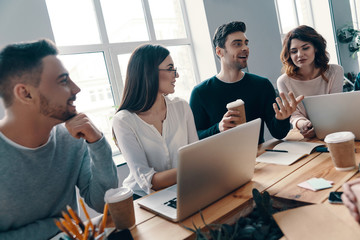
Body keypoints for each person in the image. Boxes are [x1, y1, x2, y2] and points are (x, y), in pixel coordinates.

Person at [0, 39, 118, 239]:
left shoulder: (71, 139)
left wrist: (97, 143)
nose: (76, 89)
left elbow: (104, 202)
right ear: (26, 93)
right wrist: (63, 224)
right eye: (63, 81)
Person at [189, 21, 303, 144]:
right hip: (219, 160)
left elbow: (279, 133)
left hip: (259, 157)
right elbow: (193, 138)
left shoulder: (262, 85)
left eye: (246, 43)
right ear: (219, 52)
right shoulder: (200, 92)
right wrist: (218, 128)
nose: (245, 48)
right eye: (237, 44)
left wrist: (283, 119)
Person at [112, 44, 198, 197]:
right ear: (149, 72)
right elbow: (148, 180)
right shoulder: (123, 121)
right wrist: (196, 168)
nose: (176, 75)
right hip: (143, 198)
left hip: (183, 188)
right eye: (170, 68)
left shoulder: (181, 107)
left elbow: (196, 154)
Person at [277, 25, 344, 138]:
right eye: (294, 51)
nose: (300, 55)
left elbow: (335, 109)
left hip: (333, 130)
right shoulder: (283, 81)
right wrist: (304, 124)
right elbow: (294, 115)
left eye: (305, 48)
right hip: (303, 135)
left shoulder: (335, 71)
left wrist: (319, 127)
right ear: (289, 55)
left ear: (316, 48)